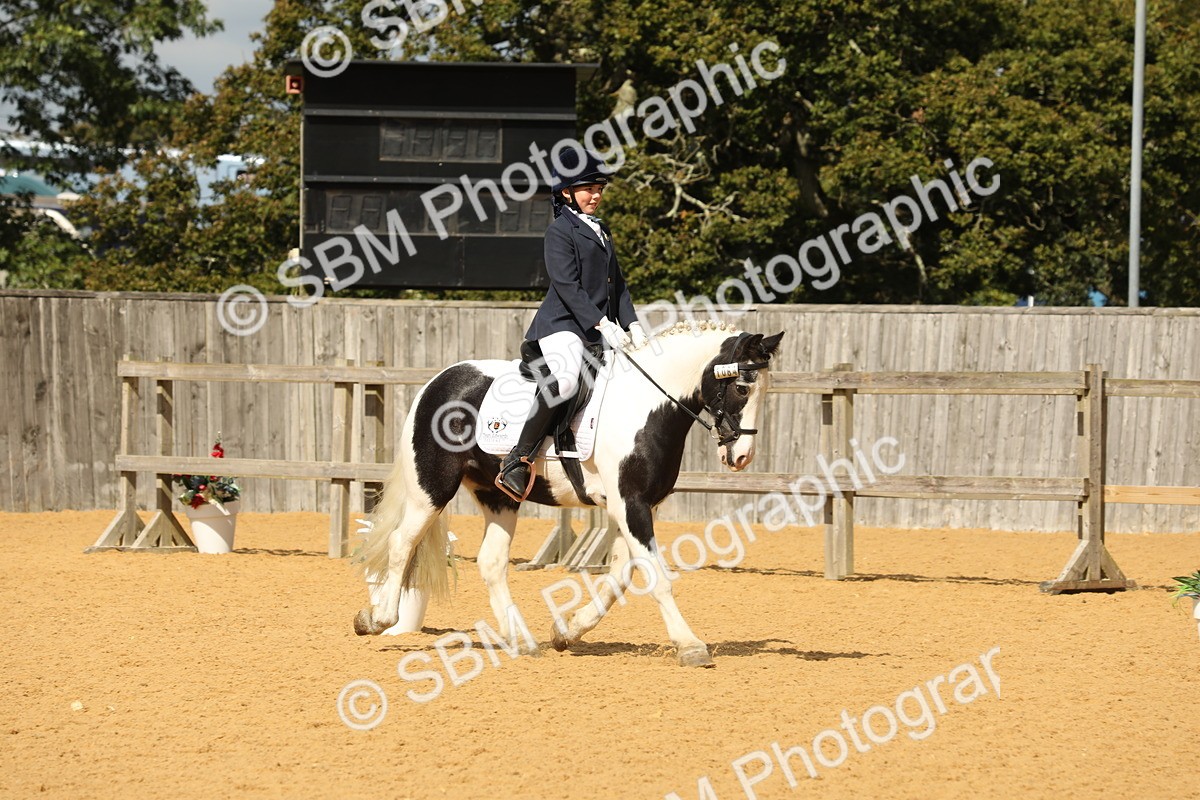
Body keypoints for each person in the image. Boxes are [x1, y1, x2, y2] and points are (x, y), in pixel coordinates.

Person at [495, 149, 648, 501]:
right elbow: (567, 285)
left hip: (596, 329)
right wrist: (600, 322)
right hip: (561, 326)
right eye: (588, 189)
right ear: (566, 192)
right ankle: (517, 459)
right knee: (564, 380)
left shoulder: (601, 230)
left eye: (599, 189)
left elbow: (617, 284)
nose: (595, 195)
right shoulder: (559, 232)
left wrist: (633, 324)